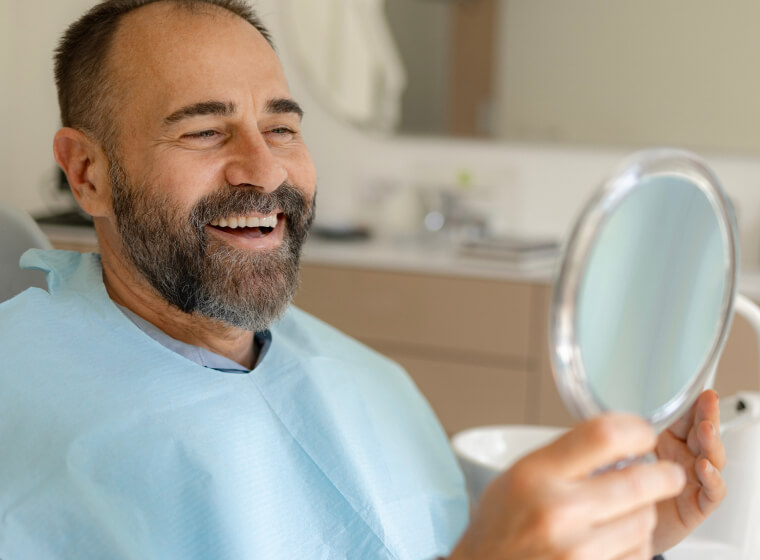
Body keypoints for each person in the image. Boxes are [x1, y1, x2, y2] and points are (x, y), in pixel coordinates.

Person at [0, 1, 726, 558]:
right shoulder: (22, 417)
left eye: (281, 127)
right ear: (87, 173)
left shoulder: (368, 381)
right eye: (204, 131)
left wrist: (629, 534)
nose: (265, 169)